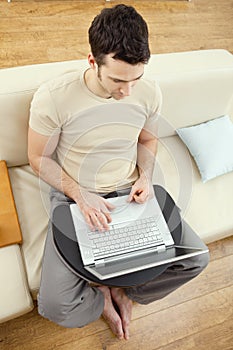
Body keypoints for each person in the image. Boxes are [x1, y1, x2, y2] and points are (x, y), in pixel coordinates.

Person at [28, 4, 209, 341]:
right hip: (74, 195)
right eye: (116, 80)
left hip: (129, 190)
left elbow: (148, 139)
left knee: (196, 259)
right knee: (55, 306)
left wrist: (144, 177)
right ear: (92, 62)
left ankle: (126, 292)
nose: (127, 91)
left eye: (135, 79)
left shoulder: (148, 90)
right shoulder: (53, 98)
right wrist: (81, 196)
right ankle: (101, 298)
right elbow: (38, 158)